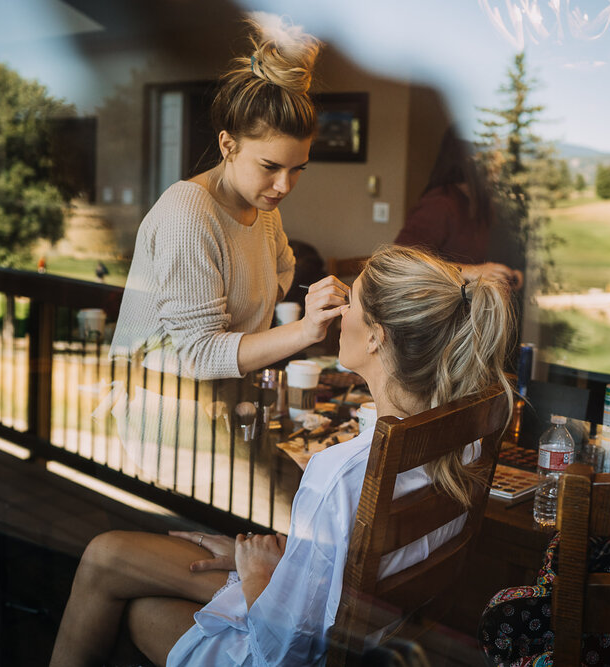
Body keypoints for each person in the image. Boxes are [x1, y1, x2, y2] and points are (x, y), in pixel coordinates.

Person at [50, 245, 514, 666]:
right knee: (107, 553)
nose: (340, 312)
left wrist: (257, 575)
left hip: (298, 649)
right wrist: (282, 556)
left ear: (377, 337)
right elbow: (349, 562)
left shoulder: (341, 472)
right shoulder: (464, 438)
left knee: (135, 605)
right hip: (366, 627)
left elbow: (281, 654)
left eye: (351, 302)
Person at [107, 14, 345, 382]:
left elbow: (283, 269)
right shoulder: (187, 214)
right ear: (228, 145)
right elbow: (198, 355)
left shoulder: (262, 209)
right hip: (164, 415)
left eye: (298, 169)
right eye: (270, 166)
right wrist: (304, 329)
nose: (284, 185)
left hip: (227, 405)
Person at [394, 128, 523, 290]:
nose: (502, 161)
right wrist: (471, 271)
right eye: (493, 154)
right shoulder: (440, 204)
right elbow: (400, 260)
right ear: (470, 158)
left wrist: (508, 275)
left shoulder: (481, 205)